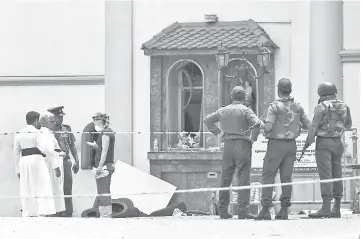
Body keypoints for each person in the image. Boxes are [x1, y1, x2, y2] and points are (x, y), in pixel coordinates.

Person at [254, 78, 311, 220]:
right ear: (290, 90)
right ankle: (284, 210)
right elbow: (308, 125)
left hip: (276, 145)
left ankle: (266, 209)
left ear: (278, 89)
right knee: (286, 177)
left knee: (268, 176)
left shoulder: (275, 107)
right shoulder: (298, 106)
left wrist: (259, 123)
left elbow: (268, 127)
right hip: (291, 145)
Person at [203, 86, 262, 219]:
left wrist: (219, 132)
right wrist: (253, 139)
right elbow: (257, 124)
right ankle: (243, 210)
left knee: (225, 178)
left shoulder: (223, 110)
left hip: (228, 146)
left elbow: (207, 120)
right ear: (244, 97)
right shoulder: (246, 111)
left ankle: (223, 210)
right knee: (243, 178)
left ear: (232, 96)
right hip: (243, 145)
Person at [305, 82, 352, 218]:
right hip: (338, 143)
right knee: (337, 175)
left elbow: (313, 127)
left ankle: (325, 208)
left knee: (326, 176)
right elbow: (348, 125)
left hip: (324, 144)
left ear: (321, 94)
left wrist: (308, 142)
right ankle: (336, 208)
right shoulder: (344, 105)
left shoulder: (321, 106)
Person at [14, 111, 57, 217]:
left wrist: (17, 169)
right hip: (37, 159)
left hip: (24, 161)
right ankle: (41, 211)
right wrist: (55, 153)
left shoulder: (19, 133)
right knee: (41, 185)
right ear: (36, 120)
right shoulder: (37, 133)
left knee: (26, 186)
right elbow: (43, 148)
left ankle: (28, 212)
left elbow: (16, 152)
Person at [47, 106, 79, 217]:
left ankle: (68, 211)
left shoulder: (66, 128)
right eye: (58, 116)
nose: (61, 119)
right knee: (55, 187)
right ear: (53, 117)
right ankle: (56, 211)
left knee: (67, 186)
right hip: (54, 161)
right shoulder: (48, 130)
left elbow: (72, 145)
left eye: (61, 116)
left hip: (66, 161)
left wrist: (77, 160)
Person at [86, 113, 115, 218]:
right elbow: (102, 148)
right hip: (107, 165)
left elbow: (105, 150)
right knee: (103, 190)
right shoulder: (105, 133)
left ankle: (106, 214)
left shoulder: (106, 133)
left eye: (95, 119)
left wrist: (99, 166)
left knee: (103, 190)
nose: (93, 122)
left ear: (100, 121)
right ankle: (104, 213)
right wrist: (95, 146)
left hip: (104, 166)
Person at [39, 113, 66, 216]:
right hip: (51, 163)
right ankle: (52, 211)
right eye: (52, 121)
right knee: (53, 187)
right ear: (45, 123)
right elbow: (48, 150)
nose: (55, 123)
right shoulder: (45, 134)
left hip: (52, 161)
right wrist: (58, 155)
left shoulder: (48, 133)